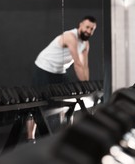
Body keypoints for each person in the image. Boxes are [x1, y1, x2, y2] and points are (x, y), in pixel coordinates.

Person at [26, 15, 97, 143]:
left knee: (68, 101)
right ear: (80, 25)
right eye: (87, 27)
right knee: (36, 103)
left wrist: (87, 87)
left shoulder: (85, 44)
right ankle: (30, 138)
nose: (88, 31)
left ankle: (64, 134)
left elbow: (85, 66)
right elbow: (77, 64)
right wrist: (86, 87)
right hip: (44, 67)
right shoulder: (70, 37)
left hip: (59, 71)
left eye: (92, 29)